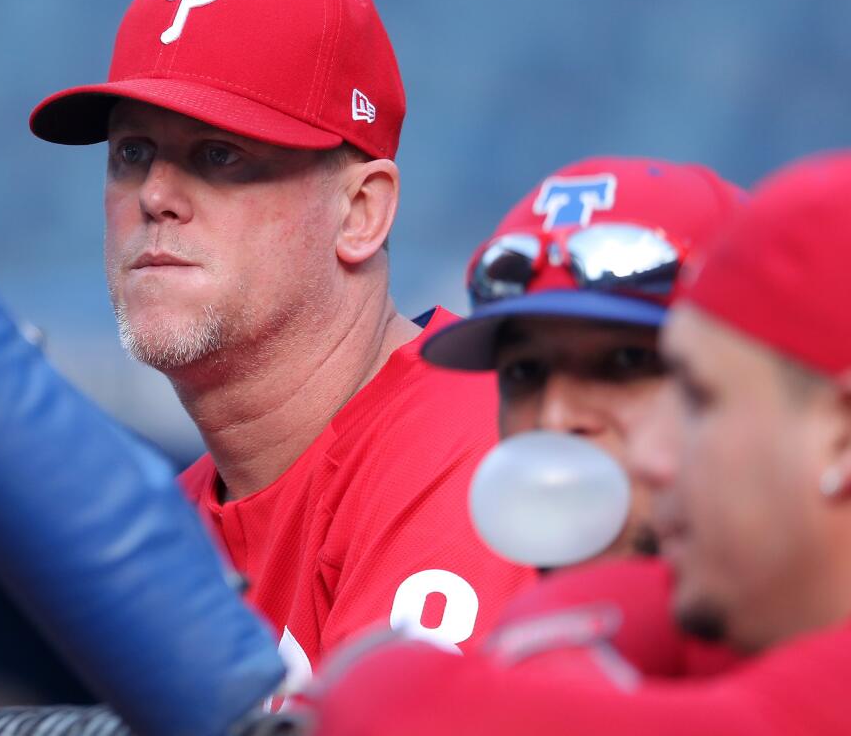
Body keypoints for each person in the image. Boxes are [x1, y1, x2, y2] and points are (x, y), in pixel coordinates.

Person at [27, 0, 534, 691]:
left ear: (360, 212)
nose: (156, 194)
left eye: (219, 154)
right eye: (132, 152)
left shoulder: (471, 447)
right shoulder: (179, 527)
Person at [308, 151, 851, 735]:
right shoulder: (587, 632)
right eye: (525, 373)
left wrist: (384, 688)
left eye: (627, 363)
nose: (556, 417)